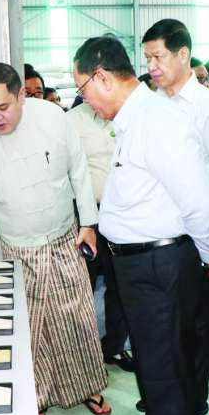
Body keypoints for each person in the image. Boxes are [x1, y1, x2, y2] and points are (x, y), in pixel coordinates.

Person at [73, 35, 209, 415]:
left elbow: (199, 201)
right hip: (139, 267)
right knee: (153, 369)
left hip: (163, 265)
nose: (85, 100)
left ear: (101, 77)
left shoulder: (158, 121)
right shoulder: (134, 120)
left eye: (83, 89)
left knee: (169, 371)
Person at [0, 63, 110, 415]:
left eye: (3, 107)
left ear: (21, 95)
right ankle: (35, 395)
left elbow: (79, 170)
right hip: (19, 247)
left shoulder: (53, 118)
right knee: (32, 327)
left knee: (76, 317)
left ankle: (87, 386)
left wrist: (88, 223)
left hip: (64, 237)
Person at [142, 18, 209, 415]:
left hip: (193, 239)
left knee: (194, 326)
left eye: (158, 57)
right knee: (160, 328)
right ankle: (163, 404)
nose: (151, 66)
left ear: (183, 54)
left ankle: (193, 399)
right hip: (155, 238)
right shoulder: (150, 105)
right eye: (147, 58)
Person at [66, 93, 134, 373]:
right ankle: (82, 356)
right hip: (86, 217)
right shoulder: (71, 121)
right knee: (83, 285)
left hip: (122, 214)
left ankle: (113, 347)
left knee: (120, 285)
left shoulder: (125, 115)